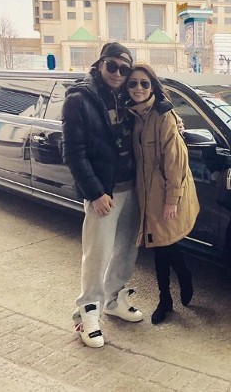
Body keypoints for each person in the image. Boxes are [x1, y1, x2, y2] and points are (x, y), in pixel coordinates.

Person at [62, 42, 144, 348]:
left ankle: (113, 300)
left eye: (124, 69)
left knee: (126, 250)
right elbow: (73, 152)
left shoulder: (127, 95)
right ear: (100, 64)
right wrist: (95, 192)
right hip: (104, 194)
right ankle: (87, 313)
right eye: (112, 66)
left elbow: (153, 105)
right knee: (97, 254)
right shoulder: (79, 98)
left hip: (132, 187)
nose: (118, 73)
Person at [125, 64, 200, 325]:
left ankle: (168, 295)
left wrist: (172, 199)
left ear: (152, 87)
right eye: (133, 83)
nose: (138, 88)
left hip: (164, 192)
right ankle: (171, 291)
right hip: (145, 192)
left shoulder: (163, 116)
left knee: (162, 245)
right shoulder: (131, 114)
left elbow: (175, 161)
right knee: (160, 244)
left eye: (144, 83)